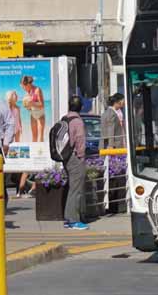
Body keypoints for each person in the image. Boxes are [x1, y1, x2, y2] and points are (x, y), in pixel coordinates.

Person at [63, 95, 88, 230]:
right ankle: (73, 220)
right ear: (81, 107)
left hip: (66, 157)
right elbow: (80, 140)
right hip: (75, 157)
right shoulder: (78, 121)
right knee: (76, 190)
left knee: (72, 188)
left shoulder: (65, 118)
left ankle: (69, 218)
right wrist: (81, 156)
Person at [20, 76, 46, 142]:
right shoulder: (27, 93)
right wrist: (27, 107)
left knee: (41, 137)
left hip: (40, 115)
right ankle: (34, 151)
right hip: (33, 115)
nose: (23, 89)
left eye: (23, 87)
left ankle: (41, 151)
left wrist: (32, 103)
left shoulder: (37, 90)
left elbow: (42, 105)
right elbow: (30, 108)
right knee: (34, 137)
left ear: (28, 84)